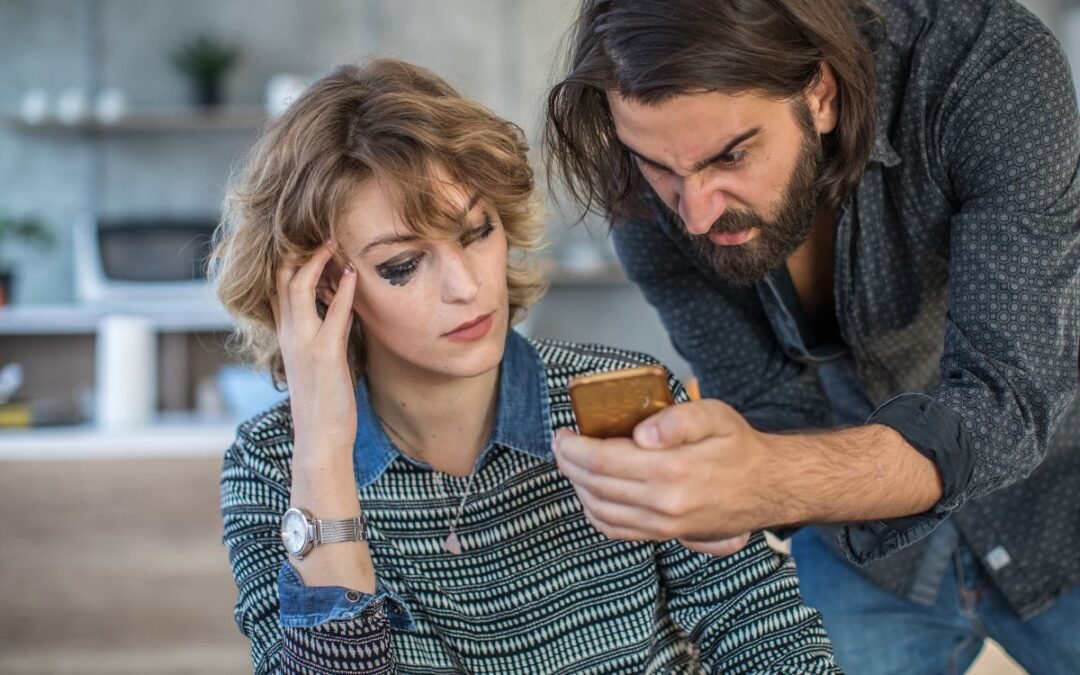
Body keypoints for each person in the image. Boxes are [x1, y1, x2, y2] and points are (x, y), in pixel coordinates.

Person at [212, 58, 840, 674]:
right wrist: (322, 448)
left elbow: (766, 632)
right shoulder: (272, 467)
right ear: (323, 291)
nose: (465, 287)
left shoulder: (620, 400)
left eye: (476, 232)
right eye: (402, 265)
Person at [543, 0, 1080, 672]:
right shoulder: (645, 196)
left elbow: (1005, 400)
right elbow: (768, 399)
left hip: (1062, 494)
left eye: (731, 154)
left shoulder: (987, 69)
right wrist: (716, 496)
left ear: (820, 93)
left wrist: (769, 476)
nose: (696, 213)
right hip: (858, 541)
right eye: (661, 166)